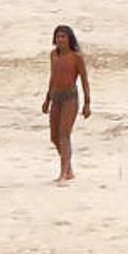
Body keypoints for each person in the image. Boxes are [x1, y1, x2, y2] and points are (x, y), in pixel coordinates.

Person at [42, 25, 91, 183]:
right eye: (58, 37)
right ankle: (68, 168)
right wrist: (47, 99)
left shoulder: (76, 57)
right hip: (56, 97)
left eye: (63, 36)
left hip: (70, 98)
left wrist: (87, 103)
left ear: (70, 38)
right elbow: (53, 77)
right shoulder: (53, 55)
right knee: (54, 137)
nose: (60, 39)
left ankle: (63, 172)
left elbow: (84, 80)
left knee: (64, 135)